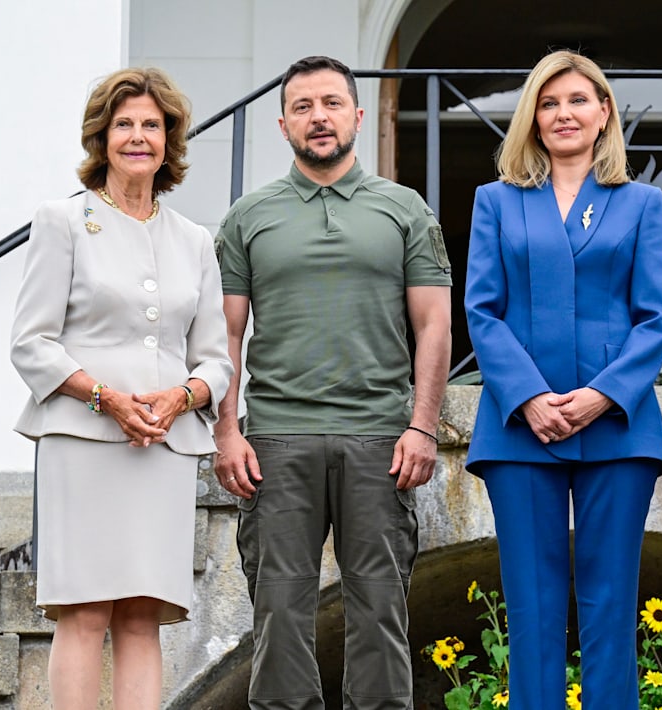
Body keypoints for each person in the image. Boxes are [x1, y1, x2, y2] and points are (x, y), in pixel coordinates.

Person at [213, 55, 452, 710]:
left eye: (331, 104)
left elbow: (434, 325)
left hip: (381, 440)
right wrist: (227, 432)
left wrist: (423, 426)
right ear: (283, 124)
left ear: (357, 115)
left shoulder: (404, 210)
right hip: (274, 442)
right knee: (279, 621)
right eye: (303, 107)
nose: (318, 117)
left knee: (380, 615)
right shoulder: (248, 216)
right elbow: (224, 335)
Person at [10, 66, 231, 710]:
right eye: (124, 124)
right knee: (83, 609)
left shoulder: (195, 240)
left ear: (169, 141)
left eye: (151, 126)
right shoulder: (62, 221)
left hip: (163, 448)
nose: (138, 136)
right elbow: (31, 342)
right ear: (102, 139)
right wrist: (104, 397)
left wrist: (182, 396)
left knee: (141, 614)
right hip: (83, 442)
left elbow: (215, 361)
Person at [464, 50, 662, 710]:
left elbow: (656, 316)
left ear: (604, 112)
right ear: (532, 117)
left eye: (579, 100)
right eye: (549, 103)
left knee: (611, 602)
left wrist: (602, 395)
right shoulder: (496, 201)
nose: (564, 114)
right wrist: (529, 396)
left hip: (618, 427)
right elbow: (482, 310)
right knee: (531, 605)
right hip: (518, 430)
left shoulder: (639, 203)